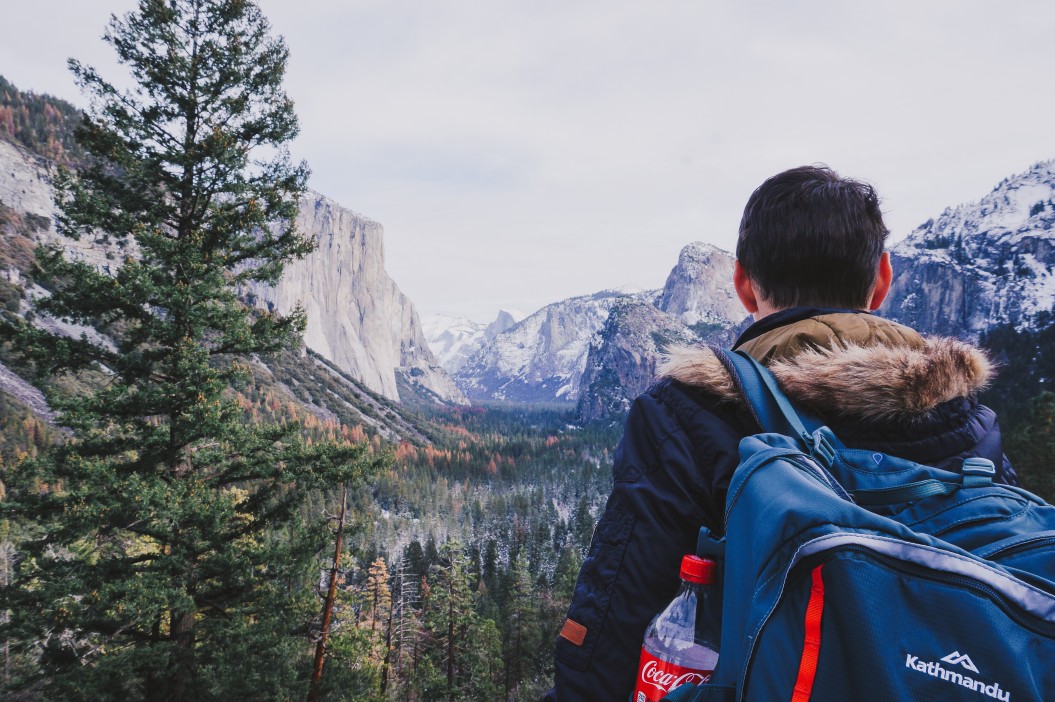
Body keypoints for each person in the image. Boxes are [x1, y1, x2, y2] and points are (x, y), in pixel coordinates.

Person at [548, 165, 1018, 701]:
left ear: (744, 285)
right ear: (883, 279)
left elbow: (616, 614)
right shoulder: (972, 428)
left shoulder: (686, 413)